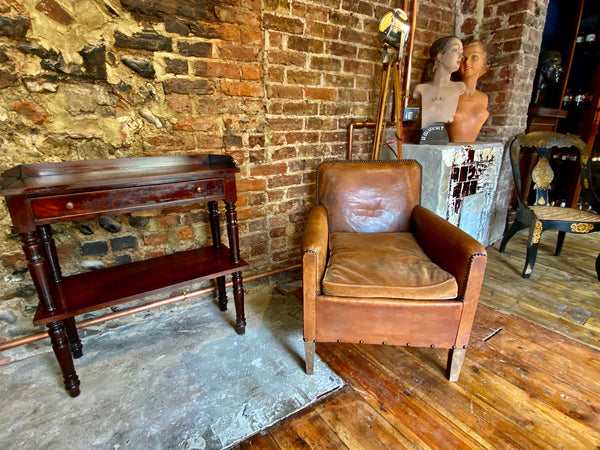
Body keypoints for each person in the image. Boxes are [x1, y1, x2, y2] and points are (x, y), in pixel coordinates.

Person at [413, 36, 466, 131]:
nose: (460, 56)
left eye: (461, 52)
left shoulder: (460, 88)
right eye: (455, 50)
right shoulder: (420, 89)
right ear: (440, 55)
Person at [447, 39, 489, 142]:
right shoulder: (447, 93)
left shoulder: (484, 98)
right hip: (448, 152)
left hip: (471, 153)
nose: (467, 62)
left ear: (483, 63)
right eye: (463, 58)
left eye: (474, 57)